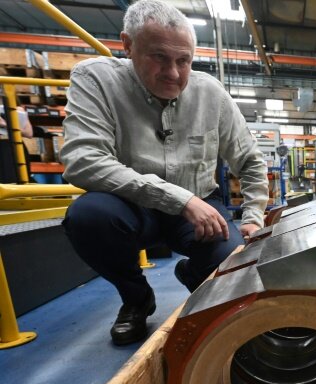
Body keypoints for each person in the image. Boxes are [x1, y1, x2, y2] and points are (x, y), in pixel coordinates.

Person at [61, 0, 268, 346]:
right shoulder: (95, 79)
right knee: (88, 216)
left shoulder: (210, 94)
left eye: (183, 60)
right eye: (159, 57)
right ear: (128, 45)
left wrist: (254, 216)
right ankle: (136, 299)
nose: (173, 73)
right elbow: (83, 159)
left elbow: (250, 160)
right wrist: (179, 199)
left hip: (200, 206)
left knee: (234, 267)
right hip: (129, 206)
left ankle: (193, 271)